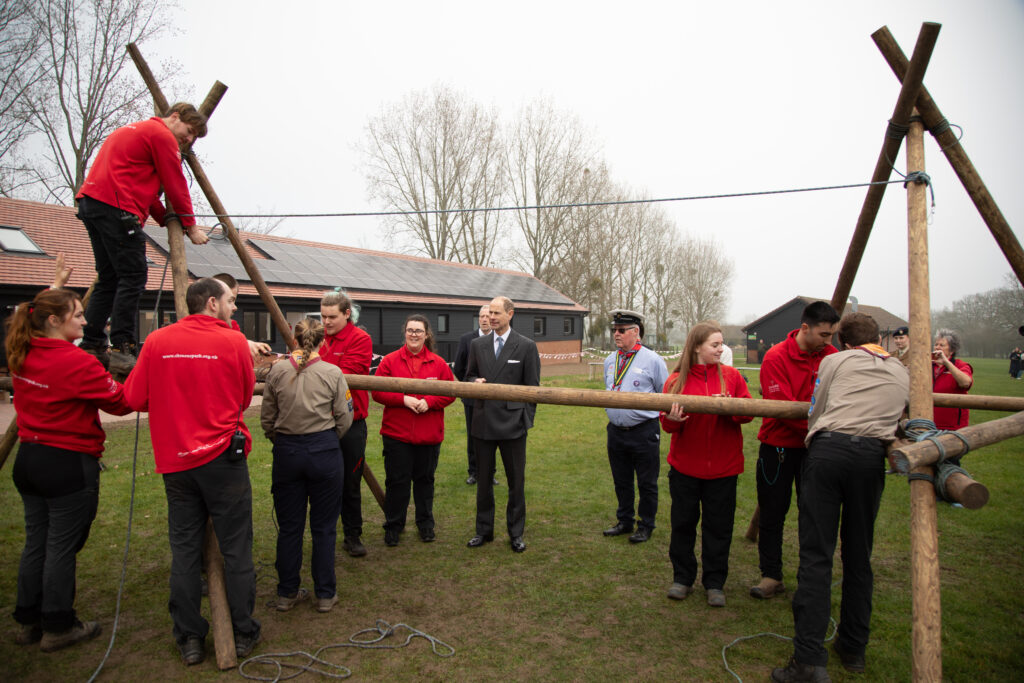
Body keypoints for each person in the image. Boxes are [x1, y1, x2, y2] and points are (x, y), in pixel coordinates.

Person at [124, 278, 260, 666]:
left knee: (184, 551)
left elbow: (134, 396)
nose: (234, 307)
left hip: (177, 461)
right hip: (222, 460)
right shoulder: (233, 341)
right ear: (212, 303)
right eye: (231, 301)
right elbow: (245, 395)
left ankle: (189, 637)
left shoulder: (157, 340)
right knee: (236, 547)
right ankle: (243, 630)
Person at [771, 313, 908, 682]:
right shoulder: (900, 369)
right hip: (872, 457)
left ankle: (808, 660)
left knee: (817, 555)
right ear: (878, 339)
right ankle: (853, 647)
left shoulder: (835, 361)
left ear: (845, 342)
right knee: (859, 554)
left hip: (831, 450)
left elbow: (817, 409)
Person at [7, 286, 132, 652]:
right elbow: (121, 402)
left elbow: (42, 308)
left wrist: (56, 284)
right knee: (61, 547)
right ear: (53, 320)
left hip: (28, 459)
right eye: (77, 315)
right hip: (66, 463)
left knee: (37, 542)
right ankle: (59, 625)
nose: (85, 320)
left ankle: (28, 620)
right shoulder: (75, 361)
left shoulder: (23, 349)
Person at [75, 102, 211, 377]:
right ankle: (122, 346)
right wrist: (191, 226)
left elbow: (145, 191)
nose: (188, 139)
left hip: (93, 203)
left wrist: (165, 218)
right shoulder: (162, 135)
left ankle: (91, 343)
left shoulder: (135, 131)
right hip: (117, 207)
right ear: (175, 117)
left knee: (109, 277)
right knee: (134, 275)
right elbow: (175, 182)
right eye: (189, 131)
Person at [261, 318, 353, 614]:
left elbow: (267, 417)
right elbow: (345, 416)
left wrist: (282, 439)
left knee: (290, 527)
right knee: (324, 527)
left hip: (287, 450)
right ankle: (325, 593)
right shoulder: (332, 372)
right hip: (323, 450)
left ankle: (286, 592)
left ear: (294, 340)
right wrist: (327, 439)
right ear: (323, 341)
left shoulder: (277, 371)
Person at [751, 301, 839, 600]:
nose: (828, 341)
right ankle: (771, 574)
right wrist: (820, 430)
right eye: (824, 334)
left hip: (816, 449)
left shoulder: (832, 357)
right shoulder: (776, 356)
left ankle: (810, 577)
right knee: (772, 512)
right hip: (778, 448)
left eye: (831, 335)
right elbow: (783, 408)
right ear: (805, 328)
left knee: (813, 514)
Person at [660, 321, 753, 607]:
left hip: (724, 470)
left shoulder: (733, 377)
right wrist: (673, 420)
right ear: (697, 347)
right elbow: (666, 425)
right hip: (685, 469)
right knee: (683, 525)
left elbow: (748, 413)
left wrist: (730, 409)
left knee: (719, 528)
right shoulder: (675, 381)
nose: (721, 349)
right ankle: (682, 578)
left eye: (721, 343)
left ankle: (714, 583)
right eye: (715, 344)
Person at [464, 296, 541, 553]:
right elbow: (468, 376)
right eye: (489, 313)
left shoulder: (526, 346)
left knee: (515, 483)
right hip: (483, 422)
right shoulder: (477, 345)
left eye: (497, 313)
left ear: (510, 314)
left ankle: (516, 533)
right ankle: (483, 531)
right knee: (483, 482)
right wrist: (474, 382)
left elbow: (533, 389)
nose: (491, 317)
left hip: (513, 425)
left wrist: (525, 420)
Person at [372, 314, 456, 546]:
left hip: (428, 435)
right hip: (397, 434)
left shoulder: (438, 364)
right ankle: (393, 526)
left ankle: (425, 524)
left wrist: (430, 401)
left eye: (418, 331)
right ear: (405, 332)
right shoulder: (390, 361)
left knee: (425, 481)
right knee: (396, 482)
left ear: (426, 335)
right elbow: (377, 391)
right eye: (410, 330)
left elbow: (451, 392)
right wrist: (403, 399)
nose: (414, 334)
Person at [601, 309, 669, 544]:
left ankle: (646, 525)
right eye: (614, 330)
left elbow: (665, 393)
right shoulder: (610, 360)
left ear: (635, 332)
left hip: (644, 431)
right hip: (616, 432)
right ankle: (625, 521)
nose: (616, 334)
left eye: (621, 330)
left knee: (647, 482)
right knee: (621, 480)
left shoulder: (653, 360)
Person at [319, 290, 373, 557]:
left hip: (351, 421)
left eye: (332, 317)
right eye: (323, 316)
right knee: (321, 481)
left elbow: (348, 372)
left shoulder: (360, 338)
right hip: (319, 421)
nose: (326, 322)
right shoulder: (317, 337)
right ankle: (323, 534)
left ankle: (352, 534)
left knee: (351, 481)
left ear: (347, 314)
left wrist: (314, 370)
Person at [453, 304, 496, 486]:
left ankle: (490, 473)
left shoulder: (498, 340)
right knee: (473, 435)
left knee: (492, 435)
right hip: (471, 398)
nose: (484, 319)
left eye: (487, 316)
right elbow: (458, 367)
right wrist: (470, 384)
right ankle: (474, 472)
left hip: (493, 398)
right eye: (481, 316)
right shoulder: (466, 339)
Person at [212, 273, 273, 361]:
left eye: (234, 301)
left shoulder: (233, 326)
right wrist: (241, 344)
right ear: (213, 302)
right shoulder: (197, 331)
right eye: (229, 301)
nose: (235, 307)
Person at [931, 328, 973, 432]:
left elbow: (965, 383)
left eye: (942, 345)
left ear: (952, 350)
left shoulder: (961, 365)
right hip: (929, 423)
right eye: (936, 344)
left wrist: (947, 363)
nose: (937, 347)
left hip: (953, 426)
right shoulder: (928, 365)